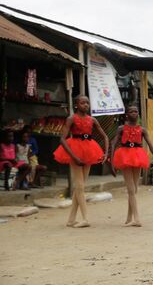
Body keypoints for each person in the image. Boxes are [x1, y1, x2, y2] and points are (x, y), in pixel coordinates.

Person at [53, 95, 109, 228]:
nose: (86, 105)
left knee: (80, 187)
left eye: (87, 103)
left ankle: (71, 219)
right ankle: (85, 218)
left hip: (89, 149)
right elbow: (62, 139)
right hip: (75, 150)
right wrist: (74, 157)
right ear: (76, 105)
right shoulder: (71, 119)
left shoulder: (93, 120)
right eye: (83, 103)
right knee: (80, 186)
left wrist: (106, 153)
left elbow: (105, 136)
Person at [111, 105, 153, 227]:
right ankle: (136, 218)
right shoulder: (121, 128)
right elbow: (113, 143)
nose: (134, 113)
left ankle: (129, 218)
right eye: (131, 111)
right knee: (131, 189)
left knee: (134, 189)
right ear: (127, 114)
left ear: (138, 114)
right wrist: (111, 160)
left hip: (138, 156)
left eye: (136, 111)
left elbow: (149, 143)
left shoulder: (142, 130)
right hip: (124, 156)